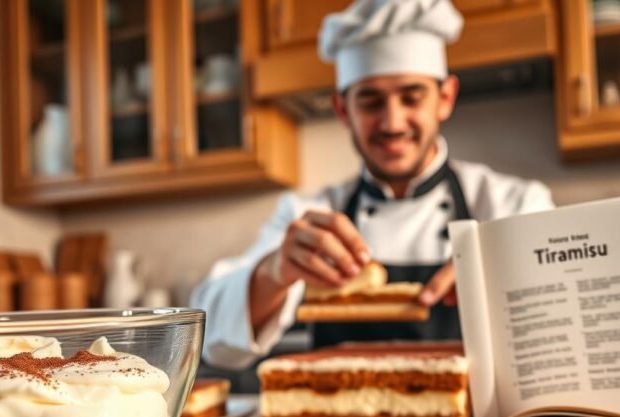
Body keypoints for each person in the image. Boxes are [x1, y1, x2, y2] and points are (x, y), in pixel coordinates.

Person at [192, 0, 554, 369]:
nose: (392, 122)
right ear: (342, 110)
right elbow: (211, 340)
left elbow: (566, 323)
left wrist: (512, 278)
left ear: (445, 99)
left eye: (412, 97)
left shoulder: (513, 204)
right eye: (370, 101)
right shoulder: (308, 214)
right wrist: (274, 271)